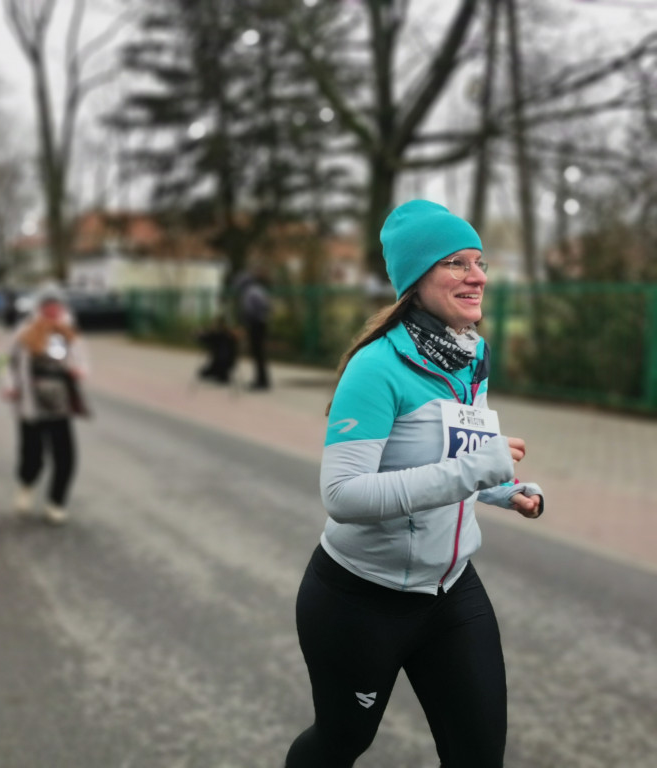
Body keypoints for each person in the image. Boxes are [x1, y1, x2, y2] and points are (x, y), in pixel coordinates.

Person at [286, 200, 545, 768]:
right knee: (341, 742)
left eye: (478, 262)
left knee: (479, 756)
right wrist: (479, 469)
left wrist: (503, 489)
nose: (477, 276)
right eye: (456, 263)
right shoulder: (376, 368)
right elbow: (343, 496)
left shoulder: (468, 355)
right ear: (417, 277)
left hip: (452, 590)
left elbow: (452, 460)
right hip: (360, 599)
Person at [4, 289, 88, 525]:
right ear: (38, 308)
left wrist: (78, 370)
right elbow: (6, 361)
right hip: (31, 399)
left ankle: (56, 502)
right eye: (47, 306)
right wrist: (10, 384)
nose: (52, 311)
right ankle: (26, 484)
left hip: (59, 402)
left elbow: (82, 360)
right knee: (32, 454)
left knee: (65, 456)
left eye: (56, 306)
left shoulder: (70, 332)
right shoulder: (24, 331)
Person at [237, 267, 271, 391]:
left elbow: (250, 309)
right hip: (261, 323)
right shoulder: (257, 290)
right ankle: (262, 380)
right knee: (259, 353)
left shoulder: (250, 292)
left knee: (258, 353)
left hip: (256, 324)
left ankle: (261, 381)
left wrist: (247, 319)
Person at [196, 314, 239, 385]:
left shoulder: (218, 335)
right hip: (229, 363)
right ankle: (220, 373)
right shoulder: (228, 335)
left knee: (204, 373)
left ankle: (219, 373)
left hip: (222, 362)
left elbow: (204, 337)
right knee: (204, 373)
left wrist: (200, 333)